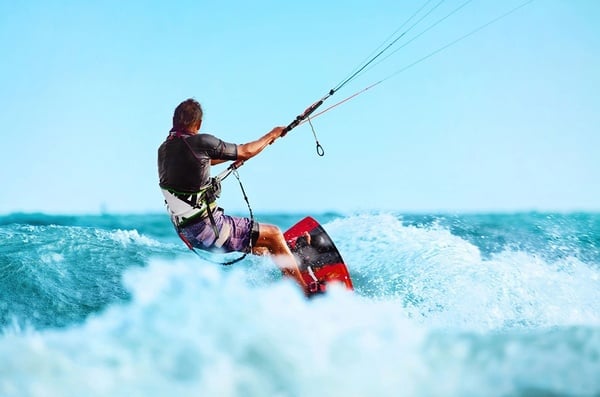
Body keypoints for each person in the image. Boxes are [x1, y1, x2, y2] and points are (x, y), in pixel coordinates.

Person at [158, 98, 308, 291]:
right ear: (199, 124)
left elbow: (202, 162)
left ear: (174, 120)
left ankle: (287, 258)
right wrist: (274, 134)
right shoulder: (201, 141)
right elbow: (245, 151)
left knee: (262, 245)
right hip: (210, 230)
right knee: (274, 233)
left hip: (190, 234)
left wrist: (233, 159)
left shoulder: (164, 150)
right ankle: (303, 292)